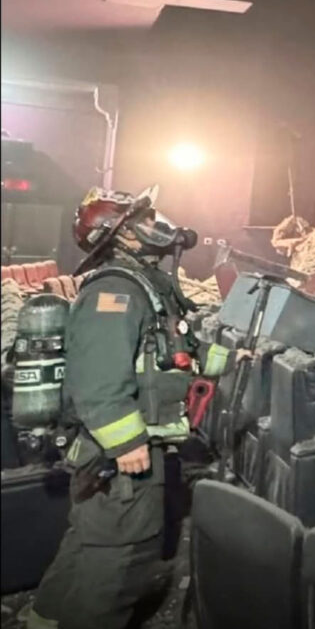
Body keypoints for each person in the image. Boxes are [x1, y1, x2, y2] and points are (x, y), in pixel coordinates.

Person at [28, 187, 247, 629]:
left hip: (118, 450)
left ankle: (44, 619)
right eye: (144, 220)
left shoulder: (144, 286)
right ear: (122, 236)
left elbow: (173, 352)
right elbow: (97, 374)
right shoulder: (115, 291)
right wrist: (125, 440)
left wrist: (232, 360)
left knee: (92, 543)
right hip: (117, 456)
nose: (157, 225)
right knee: (121, 559)